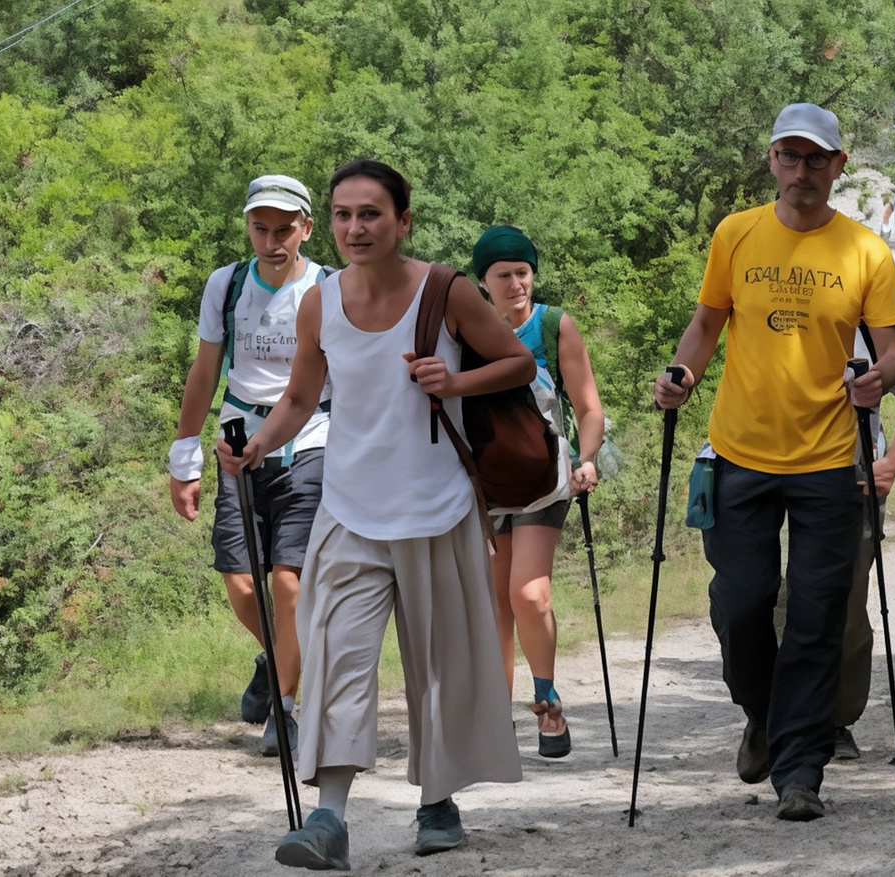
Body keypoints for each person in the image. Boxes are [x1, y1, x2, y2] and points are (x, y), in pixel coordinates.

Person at [218, 159, 530, 868]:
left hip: (436, 506)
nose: (355, 227)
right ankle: (329, 819)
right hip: (351, 509)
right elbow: (299, 399)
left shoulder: (445, 290)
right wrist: (256, 446)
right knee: (337, 660)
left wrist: (454, 380)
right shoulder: (319, 302)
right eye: (342, 214)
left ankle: (437, 798)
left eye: (371, 214)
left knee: (438, 666)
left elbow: (515, 363)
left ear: (403, 221)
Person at [653, 102, 895, 822]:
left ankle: (800, 768)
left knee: (817, 615)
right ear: (771, 161)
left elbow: (891, 355)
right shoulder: (736, 234)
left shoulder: (864, 250)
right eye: (790, 157)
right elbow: (706, 323)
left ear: (838, 166)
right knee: (739, 604)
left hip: (830, 460)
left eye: (816, 159)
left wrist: (876, 380)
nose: (803, 172)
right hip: (740, 452)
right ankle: (763, 714)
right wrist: (681, 374)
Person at [168, 174, 328, 758]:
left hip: (313, 437)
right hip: (237, 441)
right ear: (248, 229)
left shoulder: (327, 288)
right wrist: (183, 459)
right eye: (260, 229)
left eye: (284, 229)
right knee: (240, 582)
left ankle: (283, 709)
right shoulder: (227, 284)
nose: (272, 241)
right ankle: (280, 654)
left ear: (306, 228)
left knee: (288, 580)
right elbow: (206, 370)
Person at [471, 225, 606, 760]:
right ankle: (493, 719)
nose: (515, 284)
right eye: (503, 275)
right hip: (482, 484)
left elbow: (589, 406)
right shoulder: (463, 330)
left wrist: (588, 458)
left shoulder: (554, 326)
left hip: (544, 479)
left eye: (522, 273)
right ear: (483, 281)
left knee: (528, 594)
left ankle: (546, 699)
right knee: (494, 606)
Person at [775, 333, 895, 760]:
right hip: (771, 475)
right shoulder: (773, 306)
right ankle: (778, 714)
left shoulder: (871, 323)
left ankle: (835, 720)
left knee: (846, 603)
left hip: (854, 483)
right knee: (775, 597)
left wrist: (892, 461)